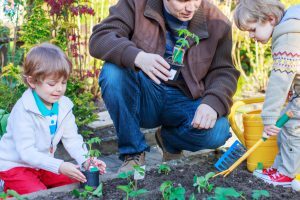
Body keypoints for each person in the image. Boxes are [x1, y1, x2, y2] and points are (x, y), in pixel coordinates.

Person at [89, 0, 240, 173]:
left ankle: (169, 141)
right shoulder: (136, 4)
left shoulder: (216, 21)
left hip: (185, 99)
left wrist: (212, 103)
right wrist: (137, 57)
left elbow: (224, 71)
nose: (191, 7)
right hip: (146, 95)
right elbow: (100, 38)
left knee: (219, 131)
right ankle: (133, 153)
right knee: (112, 72)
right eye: (182, 1)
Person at [0, 43, 106, 195]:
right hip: (15, 166)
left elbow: (72, 139)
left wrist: (86, 161)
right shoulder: (23, 110)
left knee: (78, 180)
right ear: (32, 81)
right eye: (52, 83)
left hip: (41, 165)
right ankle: (8, 188)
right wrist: (60, 166)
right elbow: (27, 153)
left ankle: (33, 183)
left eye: (63, 82)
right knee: (39, 194)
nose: (59, 89)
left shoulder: (63, 106)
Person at [234, 0, 300, 186]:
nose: (251, 36)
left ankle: (287, 174)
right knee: (285, 124)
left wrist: (268, 118)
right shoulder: (291, 30)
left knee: (292, 128)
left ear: (270, 19)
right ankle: (281, 167)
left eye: (253, 29)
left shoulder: (288, 38)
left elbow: (279, 82)